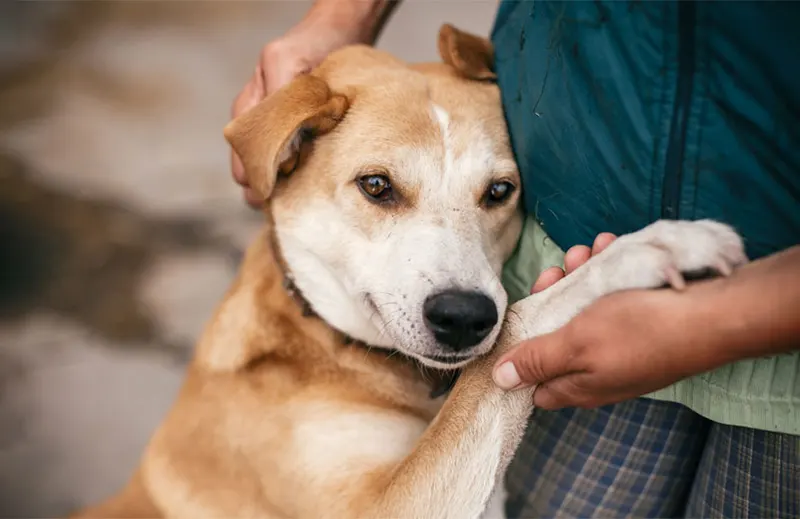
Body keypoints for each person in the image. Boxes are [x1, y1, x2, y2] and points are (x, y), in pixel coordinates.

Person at [229, 1, 800, 516]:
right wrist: (343, 14)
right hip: (583, 260)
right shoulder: (257, 379)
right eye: (380, 187)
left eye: (495, 193)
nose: (454, 280)